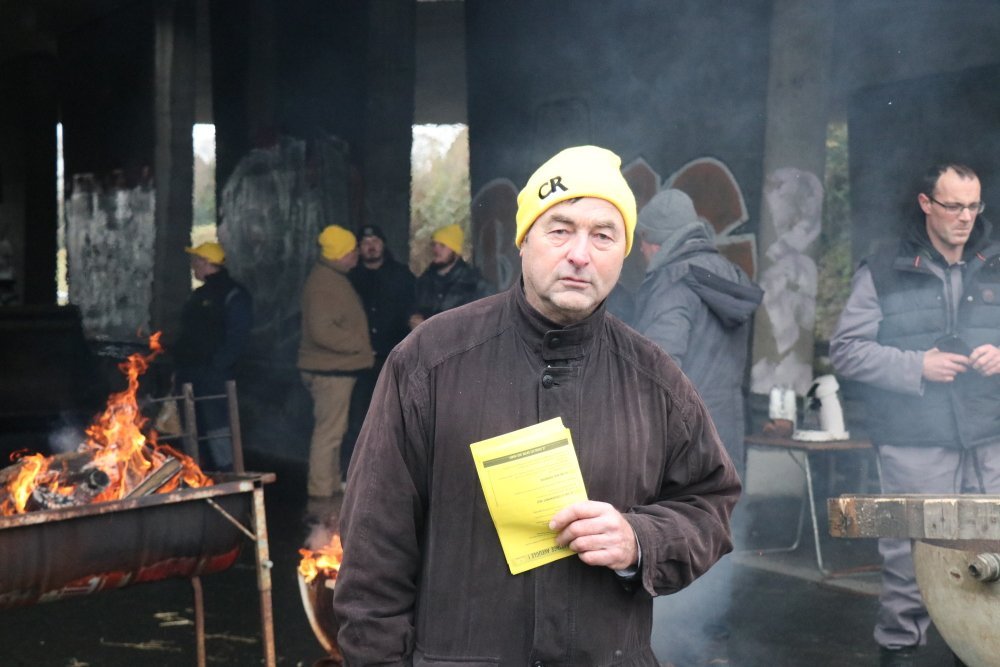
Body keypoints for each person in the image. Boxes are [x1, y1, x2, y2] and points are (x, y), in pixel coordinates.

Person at [333, 145, 741, 665]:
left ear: (625, 254)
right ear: (524, 240)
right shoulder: (430, 362)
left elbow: (711, 505)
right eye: (560, 229)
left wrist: (641, 539)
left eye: (603, 235)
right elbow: (374, 546)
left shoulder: (655, 380)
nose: (579, 253)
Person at [830, 163, 1000, 667]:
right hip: (914, 438)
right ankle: (899, 652)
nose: (965, 217)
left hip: (990, 437)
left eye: (974, 206)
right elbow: (846, 350)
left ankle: (975, 651)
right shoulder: (883, 267)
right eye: (953, 206)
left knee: (988, 554)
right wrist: (916, 366)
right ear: (926, 204)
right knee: (910, 560)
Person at [632, 189, 762, 665]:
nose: (644, 251)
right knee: (717, 534)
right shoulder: (728, 275)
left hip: (681, 439)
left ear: (658, 241)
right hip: (726, 428)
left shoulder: (673, 280)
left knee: (673, 531)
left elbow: (656, 369)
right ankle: (711, 644)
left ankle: (670, 645)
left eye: (645, 242)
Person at [297, 225, 374, 515]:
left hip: (335, 370)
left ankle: (328, 486)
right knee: (328, 433)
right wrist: (359, 345)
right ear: (341, 254)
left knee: (333, 430)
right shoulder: (323, 284)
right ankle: (319, 492)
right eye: (352, 250)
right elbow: (322, 332)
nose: (356, 255)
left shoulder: (332, 278)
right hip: (330, 372)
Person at [171, 242, 253, 472]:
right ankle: (199, 474)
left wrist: (216, 368)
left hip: (213, 377)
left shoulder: (234, 295)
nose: (192, 266)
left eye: (195, 261)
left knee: (217, 428)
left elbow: (237, 338)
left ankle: (227, 477)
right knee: (192, 428)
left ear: (206, 263)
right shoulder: (199, 295)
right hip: (190, 376)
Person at [342, 223, 415, 480]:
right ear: (358, 249)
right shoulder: (350, 278)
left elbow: (415, 314)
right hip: (359, 361)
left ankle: (392, 477)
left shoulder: (401, 275)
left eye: (375, 240)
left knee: (395, 420)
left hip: (393, 359)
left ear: (383, 243)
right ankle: (354, 477)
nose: (371, 246)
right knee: (356, 420)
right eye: (365, 242)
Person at [408, 222, 493, 329]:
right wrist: (413, 320)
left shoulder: (475, 284)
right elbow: (412, 311)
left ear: (456, 251)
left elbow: (483, 325)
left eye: (442, 245)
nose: (436, 250)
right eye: (434, 244)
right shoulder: (423, 282)